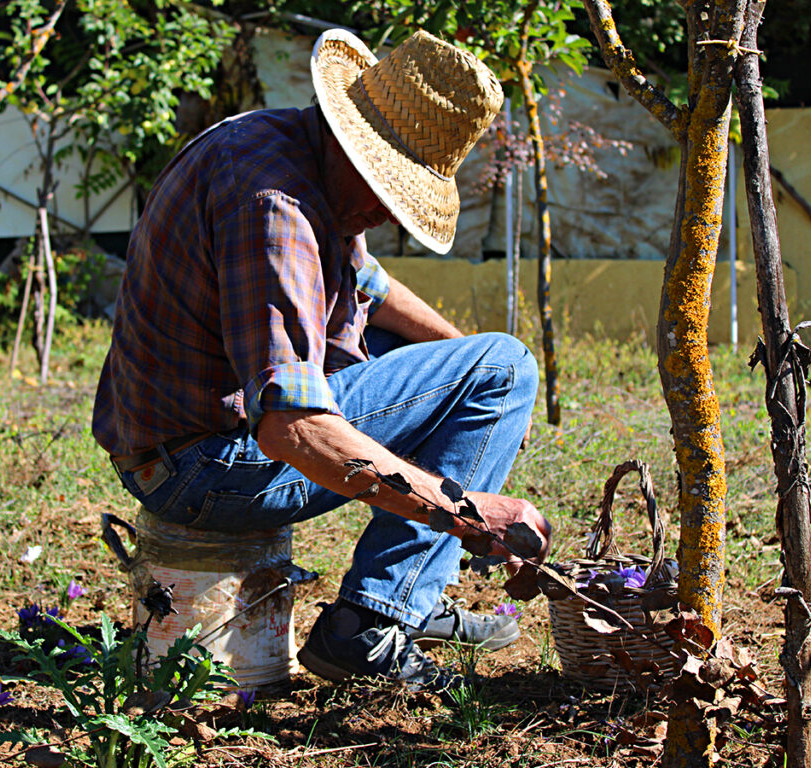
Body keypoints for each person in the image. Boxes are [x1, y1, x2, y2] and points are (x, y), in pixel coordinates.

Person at [92, 28, 551, 689]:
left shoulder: (289, 149)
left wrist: (470, 388)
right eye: (386, 193)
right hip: (200, 467)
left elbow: (373, 289)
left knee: (486, 373)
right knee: (506, 367)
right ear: (354, 146)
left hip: (180, 445)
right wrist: (465, 509)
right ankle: (373, 626)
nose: (385, 218)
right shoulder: (274, 208)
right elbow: (292, 427)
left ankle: (412, 585)